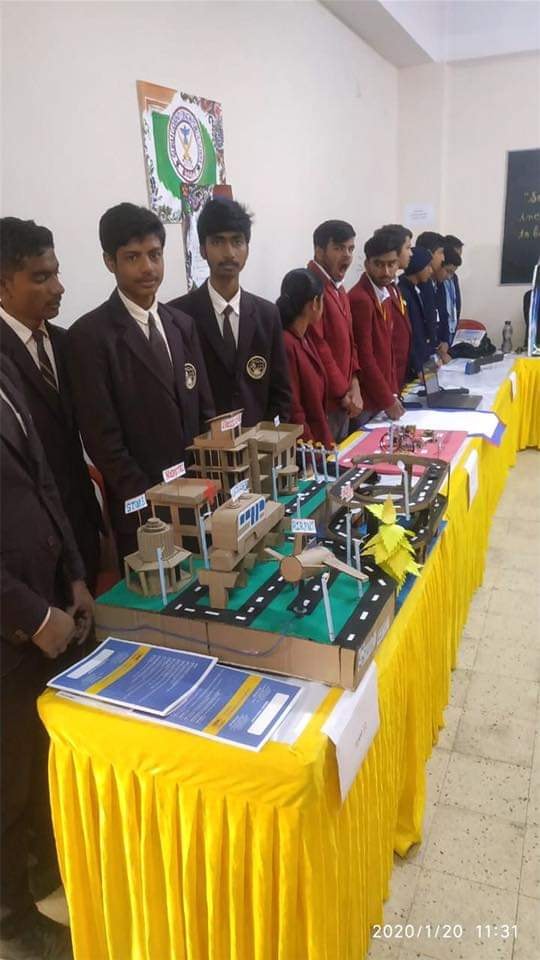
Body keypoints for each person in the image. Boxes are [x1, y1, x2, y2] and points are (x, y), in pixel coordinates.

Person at [1, 356, 94, 960]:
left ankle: (47, 878)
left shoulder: (5, 368)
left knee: (42, 766)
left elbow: (45, 483)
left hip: (51, 607)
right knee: (6, 786)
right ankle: (11, 919)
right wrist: (34, 617)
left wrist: (76, 576)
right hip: (12, 632)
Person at [66, 203, 215, 561]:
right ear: (109, 262)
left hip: (199, 497)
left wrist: (209, 482)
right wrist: (154, 502)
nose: (148, 267)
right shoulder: (89, 337)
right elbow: (103, 440)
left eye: (155, 254)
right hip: (143, 512)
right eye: (133, 257)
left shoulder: (182, 324)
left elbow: (204, 410)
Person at [0, 218, 102, 593]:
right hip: (27, 551)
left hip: (81, 528)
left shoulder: (67, 343)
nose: (58, 288)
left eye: (56, 273)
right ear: (3, 284)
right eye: (41, 277)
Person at [169, 197, 290, 427]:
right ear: (202, 249)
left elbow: (280, 391)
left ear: (247, 248)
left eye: (237, 241)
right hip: (204, 444)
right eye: (218, 242)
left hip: (259, 442)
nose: (229, 253)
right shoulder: (177, 316)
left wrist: (270, 439)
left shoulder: (267, 314)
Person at [307, 220, 362, 441]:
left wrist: (355, 383)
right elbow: (318, 347)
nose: (347, 255)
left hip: (345, 400)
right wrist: (343, 393)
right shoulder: (311, 287)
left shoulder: (339, 288)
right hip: (327, 403)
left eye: (350, 249)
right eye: (339, 248)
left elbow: (351, 340)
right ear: (319, 251)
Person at [348, 235, 403, 422]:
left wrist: (392, 393)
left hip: (382, 396)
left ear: (398, 264)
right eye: (379, 264)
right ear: (367, 264)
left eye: (391, 264)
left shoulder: (384, 292)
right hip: (368, 400)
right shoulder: (361, 299)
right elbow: (365, 357)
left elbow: (388, 349)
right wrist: (387, 399)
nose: (386, 271)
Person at [276, 268, 333, 448]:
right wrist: (312, 452)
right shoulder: (287, 343)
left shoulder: (304, 336)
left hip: (319, 439)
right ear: (315, 303)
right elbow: (294, 409)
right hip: (307, 447)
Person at [373, 224, 413, 389]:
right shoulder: (381, 290)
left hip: (399, 373)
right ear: (395, 251)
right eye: (408, 248)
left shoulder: (394, 285)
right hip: (386, 377)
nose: (411, 253)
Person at [398, 247, 437, 376]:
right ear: (418, 267)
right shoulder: (403, 292)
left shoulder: (417, 289)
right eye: (428, 266)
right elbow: (409, 335)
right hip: (412, 366)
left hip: (423, 359)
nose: (431, 271)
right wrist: (418, 367)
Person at [434, 247, 463, 347]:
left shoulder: (453, 278)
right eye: (448, 271)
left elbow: (456, 303)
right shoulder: (437, 283)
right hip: (438, 335)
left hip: (451, 329)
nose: (449, 276)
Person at [445, 234, 464, 322]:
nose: (458, 259)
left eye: (460, 256)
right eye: (456, 255)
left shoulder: (454, 278)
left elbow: (456, 304)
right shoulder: (438, 279)